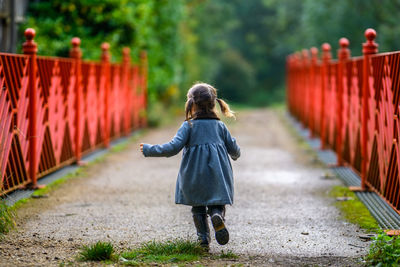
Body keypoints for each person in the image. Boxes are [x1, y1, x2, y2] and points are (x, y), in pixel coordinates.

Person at [140, 82, 240, 249]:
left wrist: (150, 149)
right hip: (218, 174)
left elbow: (172, 148)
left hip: (194, 175)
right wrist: (236, 155)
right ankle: (217, 215)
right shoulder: (220, 126)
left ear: (192, 104)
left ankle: (203, 239)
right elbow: (234, 149)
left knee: (198, 206)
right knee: (217, 203)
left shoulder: (188, 125)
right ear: (213, 103)